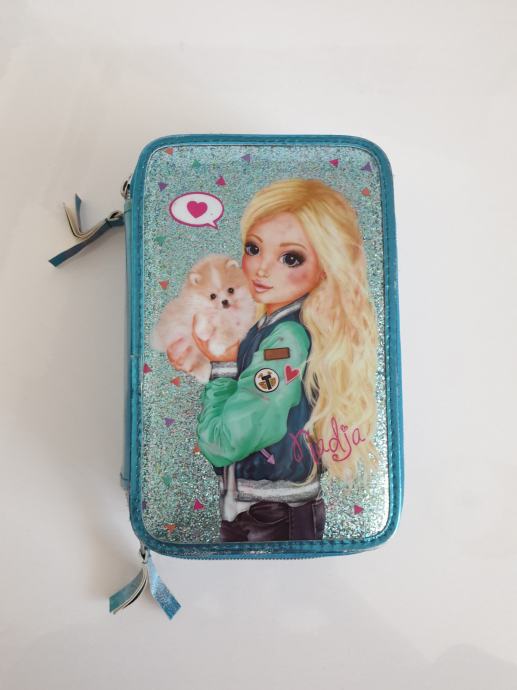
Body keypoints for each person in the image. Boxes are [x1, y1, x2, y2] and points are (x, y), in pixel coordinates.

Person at [168, 178, 378, 542]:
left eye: (290, 258)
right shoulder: (275, 328)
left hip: (270, 517)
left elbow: (225, 443)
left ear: (326, 265)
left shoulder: (286, 340)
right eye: (253, 249)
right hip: (268, 511)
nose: (262, 269)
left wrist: (223, 371)